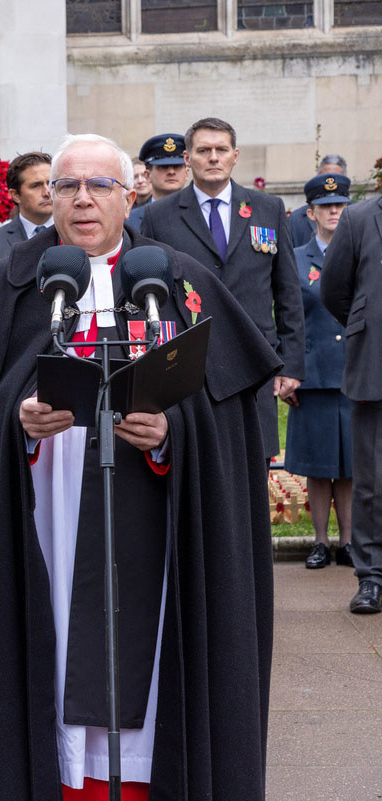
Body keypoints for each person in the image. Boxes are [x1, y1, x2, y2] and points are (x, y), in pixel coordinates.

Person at [0, 133, 280, 799]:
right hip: (47, 523)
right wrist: (16, 427)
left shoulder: (179, 283)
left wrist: (172, 434)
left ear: (128, 194)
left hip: (158, 537)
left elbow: (230, 421)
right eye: (67, 186)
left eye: (99, 186)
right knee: (51, 646)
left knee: (153, 662)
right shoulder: (7, 289)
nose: (83, 199)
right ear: (48, 198)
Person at [141, 117, 304, 461]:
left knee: (252, 469)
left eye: (221, 149)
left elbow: (288, 291)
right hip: (188, 366)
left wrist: (290, 365)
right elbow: (152, 297)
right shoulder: (160, 217)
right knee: (196, 466)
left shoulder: (268, 209)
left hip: (253, 362)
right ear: (188, 159)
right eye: (203, 150)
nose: (213, 157)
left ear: (235, 156)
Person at [320, 172, 382, 615]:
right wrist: (365, 327)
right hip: (374, 365)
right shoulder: (359, 218)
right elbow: (333, 289)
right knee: (372, 483)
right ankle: (372, 577)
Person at [287, 174, 354, 571]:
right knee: (317, 465)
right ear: (310, 213)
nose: (334, 211)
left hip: (351, 374)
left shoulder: (360, 253)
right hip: (310, 377)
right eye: (326, 206)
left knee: (347, 466)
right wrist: (288, 371)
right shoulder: (295, 259)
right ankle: (319, 542)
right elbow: (287, 319)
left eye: (340, 205)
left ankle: (347, 542)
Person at [0, 151, 53, 261]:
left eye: (50, 183)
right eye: (35, 186)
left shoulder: (76, 233)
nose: (47, 192)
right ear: (15, 195)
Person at [127, 133, 188, 231]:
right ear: (147, 175)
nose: (171, 172)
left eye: (177, 166)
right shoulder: (130, 220)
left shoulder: (202, 213)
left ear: (186, 173)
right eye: (163, 167)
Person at [289, 154, 348, 248]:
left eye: (338, 204)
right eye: (325, 205)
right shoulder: (296, 219)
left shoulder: (358, 216)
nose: (330, 182)